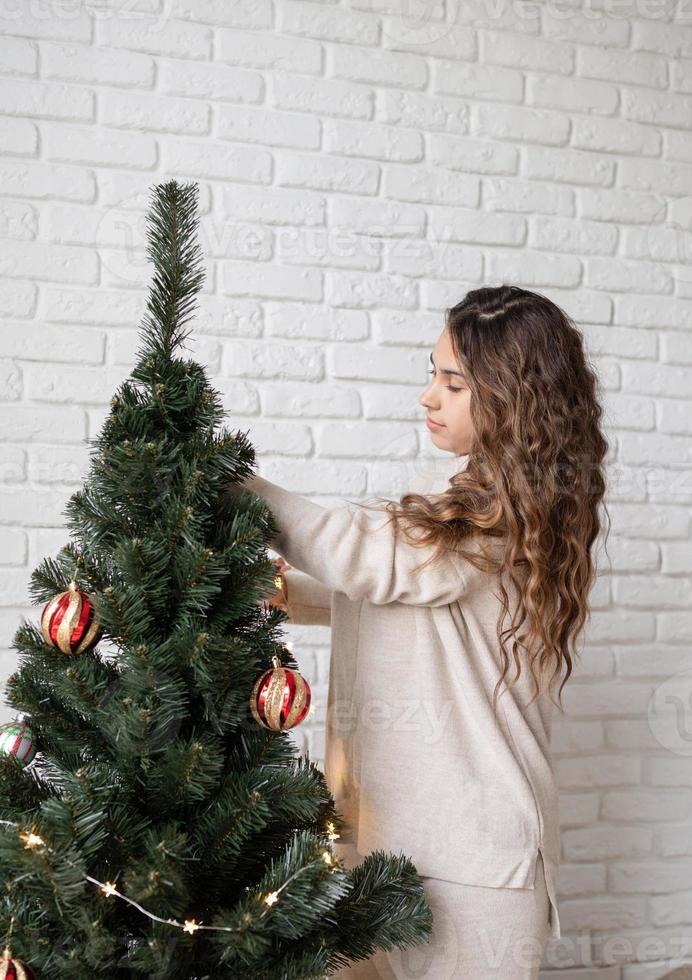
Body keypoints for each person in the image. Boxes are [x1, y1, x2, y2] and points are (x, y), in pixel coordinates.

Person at [241, 284, 610, 978]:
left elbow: (366, 557)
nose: (428, 396)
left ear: (510, 396)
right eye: (431, 374)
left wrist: (231, 483)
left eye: (453, 382)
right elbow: (392, 591)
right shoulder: (466, 511)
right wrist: (280, 594)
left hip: (472, 863)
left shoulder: (501, 514)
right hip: (392, 845)